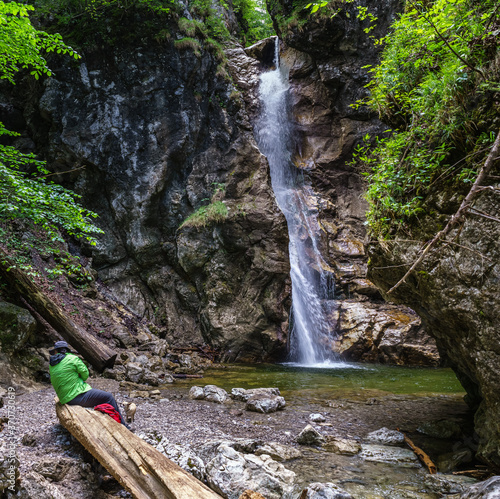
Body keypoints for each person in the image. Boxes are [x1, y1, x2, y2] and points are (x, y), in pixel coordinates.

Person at [49, 340, 128, 426]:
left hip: (63, 397)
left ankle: (109, 420)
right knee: (108, 397)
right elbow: (85, 375)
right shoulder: (72, 358)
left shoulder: (52, 363)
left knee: (98, 396)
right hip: (75, 396)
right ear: (66, 350)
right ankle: (123, 425)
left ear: (56, 351)